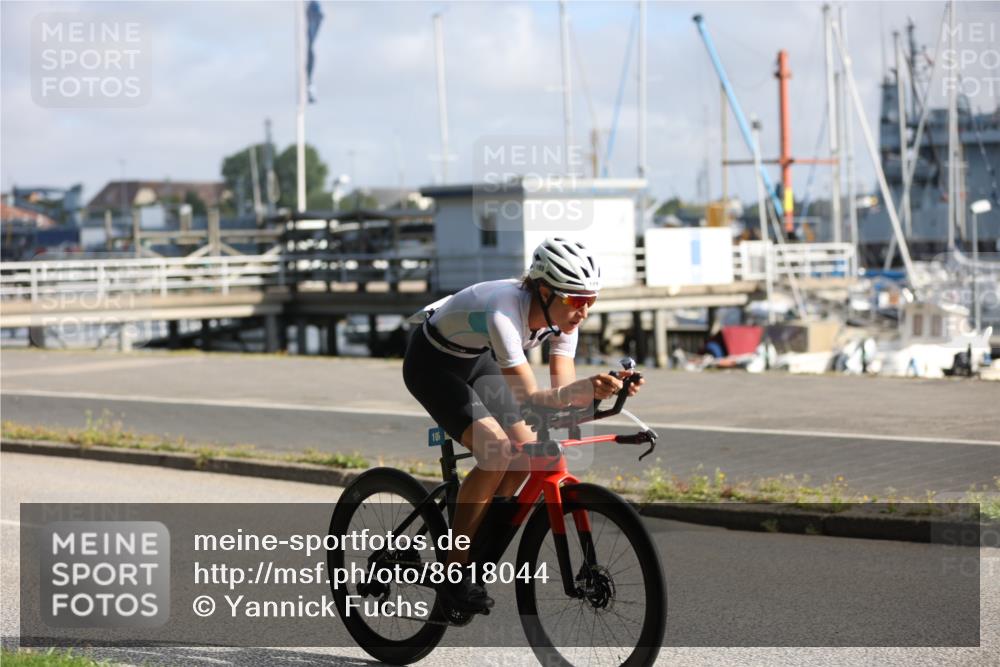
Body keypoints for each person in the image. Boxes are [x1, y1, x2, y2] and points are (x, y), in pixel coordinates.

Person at [403, 237, 643, 612]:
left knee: (526, 454)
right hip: (432, 365)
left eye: (591, 301)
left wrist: (603, 390)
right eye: (576, 301)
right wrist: (582, 389)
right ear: (545, 292)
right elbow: (532, 397)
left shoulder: (565, 318)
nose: (583, 311)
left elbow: (562, 390)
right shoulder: (504, 312)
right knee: (496, 452)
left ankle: (478, 536)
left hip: (480, 359)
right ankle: (454, 568)